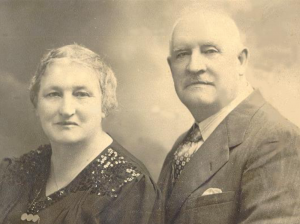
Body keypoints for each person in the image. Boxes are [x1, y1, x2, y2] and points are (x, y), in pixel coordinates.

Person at [158, 10, 300, 224]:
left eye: (210, 51)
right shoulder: (183, 144)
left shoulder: (275, 139)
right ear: (171, 67)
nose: (194, 66)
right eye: (182, 54)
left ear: (240, 61)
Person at [0, 44, 161, 224]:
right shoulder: (16, 173)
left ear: (104, 104)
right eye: (53, 94)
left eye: (81, 94)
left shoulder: (130, 188)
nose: (66, 109)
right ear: (36, 103)